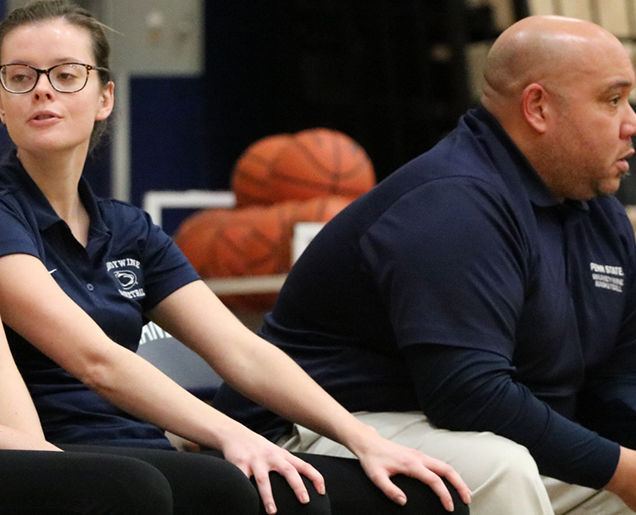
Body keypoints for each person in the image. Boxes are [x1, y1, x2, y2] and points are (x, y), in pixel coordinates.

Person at [215, 15, 636, 515]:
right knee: (502, 467)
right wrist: (620, 470)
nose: (634, 122)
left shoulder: (599, 214)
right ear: (539, 108)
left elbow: (624, 368)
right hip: (311, 432)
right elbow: (467, 393)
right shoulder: (453, 204)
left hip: (460, 432)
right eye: (612, 100)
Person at [0, 1, 470, 514]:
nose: (42, 88)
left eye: (67, 74)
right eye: (19, 77)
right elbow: (96, 361)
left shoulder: (128, 229)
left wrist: (362, 439)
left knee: (422, 497)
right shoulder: (5, 212)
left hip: (148, 451)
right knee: (257, 493)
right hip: (73, 460)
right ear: (1, 103)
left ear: (105, 97)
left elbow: (242, 351)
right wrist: (231, 433)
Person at [0, 309, 179, 515]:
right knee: (131, 486)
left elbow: (3, 370)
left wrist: (45, 461)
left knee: (213, 482)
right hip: (69, 430)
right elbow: (97, 366)